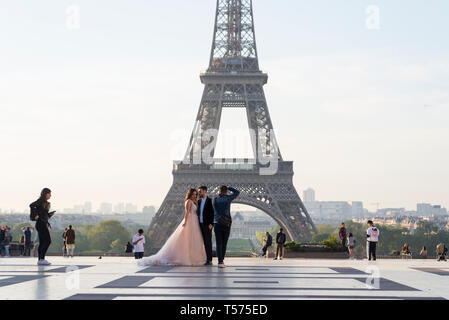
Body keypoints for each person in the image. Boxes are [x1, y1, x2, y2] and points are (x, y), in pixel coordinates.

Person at [138, 189, 206, 266]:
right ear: (190, 194)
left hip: (195, 221)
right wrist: (186, 222)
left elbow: (196, 212)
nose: (194, 196)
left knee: (193, 240)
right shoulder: (189, 201)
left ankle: (192, 257)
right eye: (193, 194)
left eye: (195, 194)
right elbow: (187, 213)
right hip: (190, 221)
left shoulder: (195, 202)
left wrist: (197, 204)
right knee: (187, 240)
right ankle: (185, 257)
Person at [213, 186, 240, 268]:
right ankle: (222, 260)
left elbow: (214, 212)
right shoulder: (228, 198)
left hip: (217, 222)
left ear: (219, 191)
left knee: (218, 243)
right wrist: (230, 188)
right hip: (226, 222)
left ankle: (220, 261)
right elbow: (237, 192)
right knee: (224, 243)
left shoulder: (215, 199)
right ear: (226, 191)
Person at [30, 188, 55, 265]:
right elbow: (31, 205)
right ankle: (41, 259)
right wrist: (35, 215)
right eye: (49, 193)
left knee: (42, 242)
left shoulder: (44, 202)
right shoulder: (41, 200)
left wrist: (49, 215)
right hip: (41, 224)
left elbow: (43, 215)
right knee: (47, 241)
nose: (50, 195)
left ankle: (41, 259)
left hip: (41, 223)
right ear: (45, 194)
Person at [197, 186, 215, 266]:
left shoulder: (210, 201)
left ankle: (209, 260)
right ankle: (203, 258)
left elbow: (212, 213)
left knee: (208, 242)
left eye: (200, 191)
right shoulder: (199, 201)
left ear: (205, 191)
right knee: (202, 242)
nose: (199, 193)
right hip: (200, 224)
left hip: (207, 225)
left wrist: (211, 224)